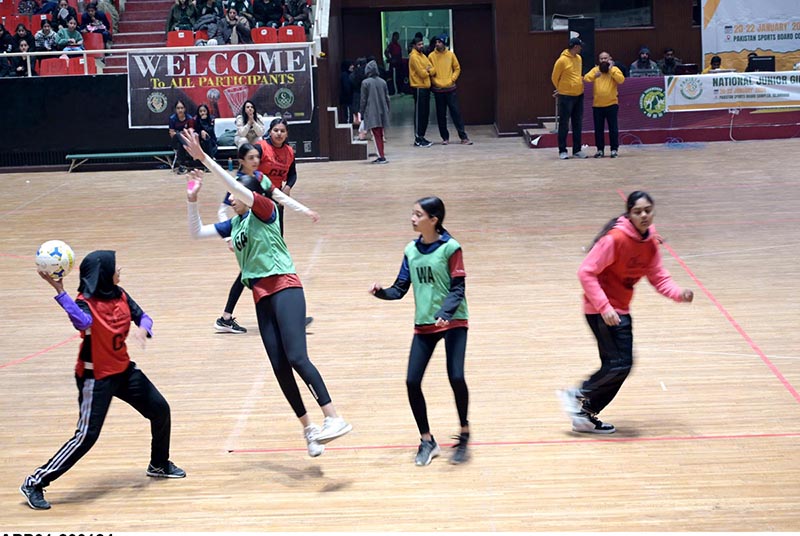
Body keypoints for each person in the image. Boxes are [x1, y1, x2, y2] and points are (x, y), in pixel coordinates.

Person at [182, 129, 353, 457]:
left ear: (247, 197)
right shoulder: (234, 226)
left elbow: (234, 185)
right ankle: (310, 430)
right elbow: (195, 233)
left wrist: (204, 158)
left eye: (236, 195)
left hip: (285, 287)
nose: (230, 198)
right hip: (261, 297)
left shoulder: (264, 211)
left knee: (297, 356)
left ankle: (334, 417)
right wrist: (191, 201)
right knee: (279, 366)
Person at [20, 251, 185, 511]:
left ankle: (159, 464)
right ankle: (35, 482)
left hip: (123, 371)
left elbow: (143, 316)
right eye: (116, 266)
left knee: (160, 410)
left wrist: (144, 328)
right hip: (95, 377)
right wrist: (60, 291)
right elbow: (82, 322)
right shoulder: (84, 302)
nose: (121, 269)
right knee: (86, 437)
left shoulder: (120, 295)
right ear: (105, 273)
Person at [557, 191, 694, 434]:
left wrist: (678, 294)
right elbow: (586, 272)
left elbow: (659, 277)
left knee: (620, 365)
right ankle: (577, 394)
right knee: (619, 364)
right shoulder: (615, 239)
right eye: (638, 211)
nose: (643, 215)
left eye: (647, 210)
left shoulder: (650, 242)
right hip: (601, 310)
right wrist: (604, 308)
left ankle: (584, 415)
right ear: (629, 214)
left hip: (619, 309)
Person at [369, 196, 471, 466]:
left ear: (433, 220)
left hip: (454, 322)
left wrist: (445, 313)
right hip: (424, 324)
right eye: (412, 214)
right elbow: (399, 289)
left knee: (456, 376)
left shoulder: (451, 248)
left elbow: (458, 288)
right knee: (412, 382)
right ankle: (427, 440)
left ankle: (464, 433)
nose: (412, 219)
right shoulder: (410, 251)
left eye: (417, 214)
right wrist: (381, 293)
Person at [214, 142, 263, 335]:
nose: (255, 161)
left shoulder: (258, 178)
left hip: (256, 236)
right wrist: (229, 237)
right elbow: (222, 210)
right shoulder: (239, 184)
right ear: (241, 161)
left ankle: (225, 318)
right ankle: (285, 317)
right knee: (252, 276)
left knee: (246, 276)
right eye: (251, 158)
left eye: (257, 157)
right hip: (246, 237)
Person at [428, 35, 472, 145]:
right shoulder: (431, 56)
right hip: (438, 89)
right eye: (436, 42)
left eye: (439, 42)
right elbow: (429, 70)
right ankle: (445, 138)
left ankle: (463, 137)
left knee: (456, 113)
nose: (437, 44)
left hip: (450, 89)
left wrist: (452, 79)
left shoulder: (451, 55)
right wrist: (435, 82)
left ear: (444, 43)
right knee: (441, 115)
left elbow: (457, 68)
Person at [584, 51, 624, 158]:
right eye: (601, 59)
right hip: (597, 105)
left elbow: (621, 80)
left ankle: (614, 150)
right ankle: (600, 150)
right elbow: (586, 78)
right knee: (598, 129)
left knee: (613, 129)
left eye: (605, 58)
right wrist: (594, 76)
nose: (603, 60)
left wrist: (611, 70)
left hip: (612, 104)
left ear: (609, 59)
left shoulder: (614, 70)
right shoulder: (595, 70)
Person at [551, 37, 587, 160]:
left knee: (577, 123)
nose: (581, 48)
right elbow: (554, 77)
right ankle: (562, 150)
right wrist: (561, 89)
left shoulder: (579, 58)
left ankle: (577, 149)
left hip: (579, 94)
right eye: (580, 46)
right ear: (575, 47)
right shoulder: (561, 61)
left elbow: (577, 75)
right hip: (566, 96)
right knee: (564, 124)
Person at [360, 59, 391, 164]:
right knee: (380, 134)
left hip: (372, 112)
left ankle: (381, 156)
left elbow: (363, 100)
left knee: (376, 134)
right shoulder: (383, 82)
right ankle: (381, 154)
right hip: (383, 111)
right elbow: (387, 98)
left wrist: (362, 112)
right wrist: (387, 110)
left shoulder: (365, 83)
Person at [408, 36, 434, 148]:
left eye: (422, 44)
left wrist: (428, 70)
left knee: (425, 114)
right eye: (419, 44)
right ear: (414, 46)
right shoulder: (414, 57)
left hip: (426, 87)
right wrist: (427, 70)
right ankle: (418, 138)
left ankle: (422, 136)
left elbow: (433, 69)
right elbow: (422, 73)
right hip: (418, 87)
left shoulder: (423, 56)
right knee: (419, 114)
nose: (421, 46)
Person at [168, 99, 194, 174]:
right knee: (178, 136)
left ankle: (182, 166)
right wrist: (181, 134)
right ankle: (187, 146)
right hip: (175, 141)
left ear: (185, 109)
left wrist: (181, 134)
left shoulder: (189, 118)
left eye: (182, 108)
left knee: (181, 145)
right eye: (178, 108)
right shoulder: (172, 118)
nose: (180, 110)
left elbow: (191, 131)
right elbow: (172, 134)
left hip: (185, 140)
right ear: (175, 109)